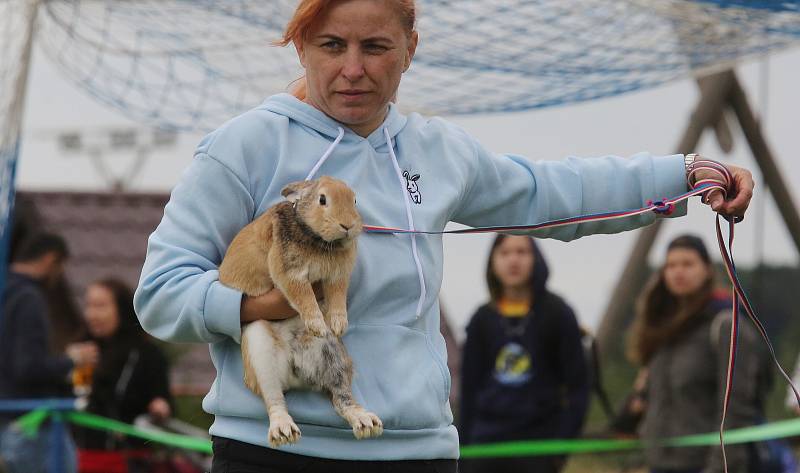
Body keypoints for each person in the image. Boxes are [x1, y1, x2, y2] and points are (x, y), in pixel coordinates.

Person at [133, 1, 755, 471]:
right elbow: (161, 293)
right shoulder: (245, 146)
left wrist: (683, 175)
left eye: (376, 46)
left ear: (410, 47)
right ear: (301, 48)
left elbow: (548, 193)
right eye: (331, 45)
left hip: (418, 451)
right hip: (270, 451)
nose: (353, 69)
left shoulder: (437, 150)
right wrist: (256, 305)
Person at [628, 235, 775, 473]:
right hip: (661, 464)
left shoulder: (726, 325)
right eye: (671, 265)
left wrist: (720, 466)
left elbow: (736, 410)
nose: (678, 272)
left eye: (687, 264)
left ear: (707, 270)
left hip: (707, 465)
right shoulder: (662, 328)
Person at [459, 235, 588, 473]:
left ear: (536, 258)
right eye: (505, 253)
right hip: (485, 445)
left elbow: (578, 387)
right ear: (493, 262)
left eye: (522, 252)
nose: (513, 260)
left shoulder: (558, 313)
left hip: (538, 445)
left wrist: (559, 449)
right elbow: (468, 390)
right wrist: (463, 449)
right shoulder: (481, 319)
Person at [0, 233, 98, 473]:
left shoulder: (6, 292)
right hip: (32, 427)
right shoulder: (29, 298)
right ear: (50, 259)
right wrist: (71, 361)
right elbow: (28, 367)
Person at [73, 278, 172, 473]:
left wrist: (160, 407)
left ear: (121, 309)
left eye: (101, 306)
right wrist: (71, 364)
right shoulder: (81, 351)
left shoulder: (145, 353)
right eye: (89, 306)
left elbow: (163, 399)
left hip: (130, 461)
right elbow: (79, 397)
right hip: (83, 459)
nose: (92, 314)